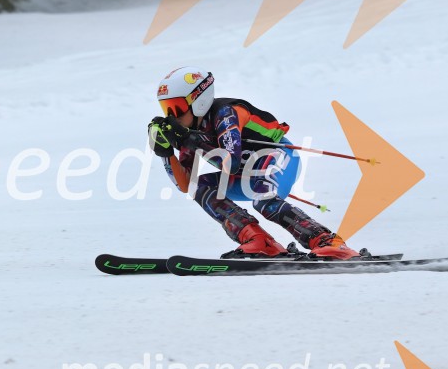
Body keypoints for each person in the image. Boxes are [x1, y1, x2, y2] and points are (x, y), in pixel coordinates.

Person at [147, 66, 360, 260]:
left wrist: (192, 142)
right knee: (201, 187)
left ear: (199, 100)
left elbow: (231, 162)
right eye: (166, 110)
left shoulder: (225, 113)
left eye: (176, 108)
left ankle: (328, 241)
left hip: (279, 156)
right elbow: (186, 184)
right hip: (246, 172)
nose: (171, 117)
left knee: (263, 199)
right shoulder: (190, 131)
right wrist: (165, 152)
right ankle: (260, 242)